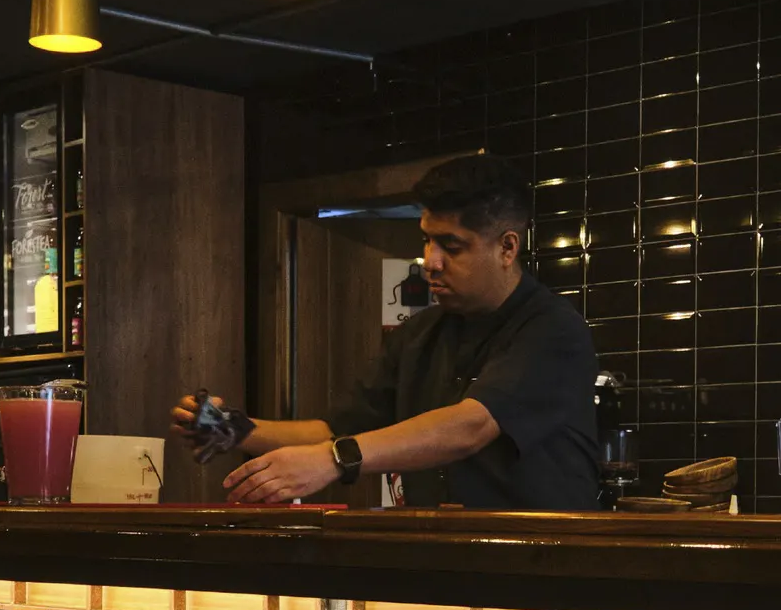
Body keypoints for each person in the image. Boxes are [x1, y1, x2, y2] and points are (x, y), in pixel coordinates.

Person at [173, 153, 600, 509]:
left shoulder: (552, 329)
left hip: (537, 568)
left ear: (507, 247)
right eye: (427, 240)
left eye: (451, 246)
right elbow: (333, 430)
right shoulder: (420, 334)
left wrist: (335, 460)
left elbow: (470, 426)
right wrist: (238, 429)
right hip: (439, 561)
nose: (430, 262)